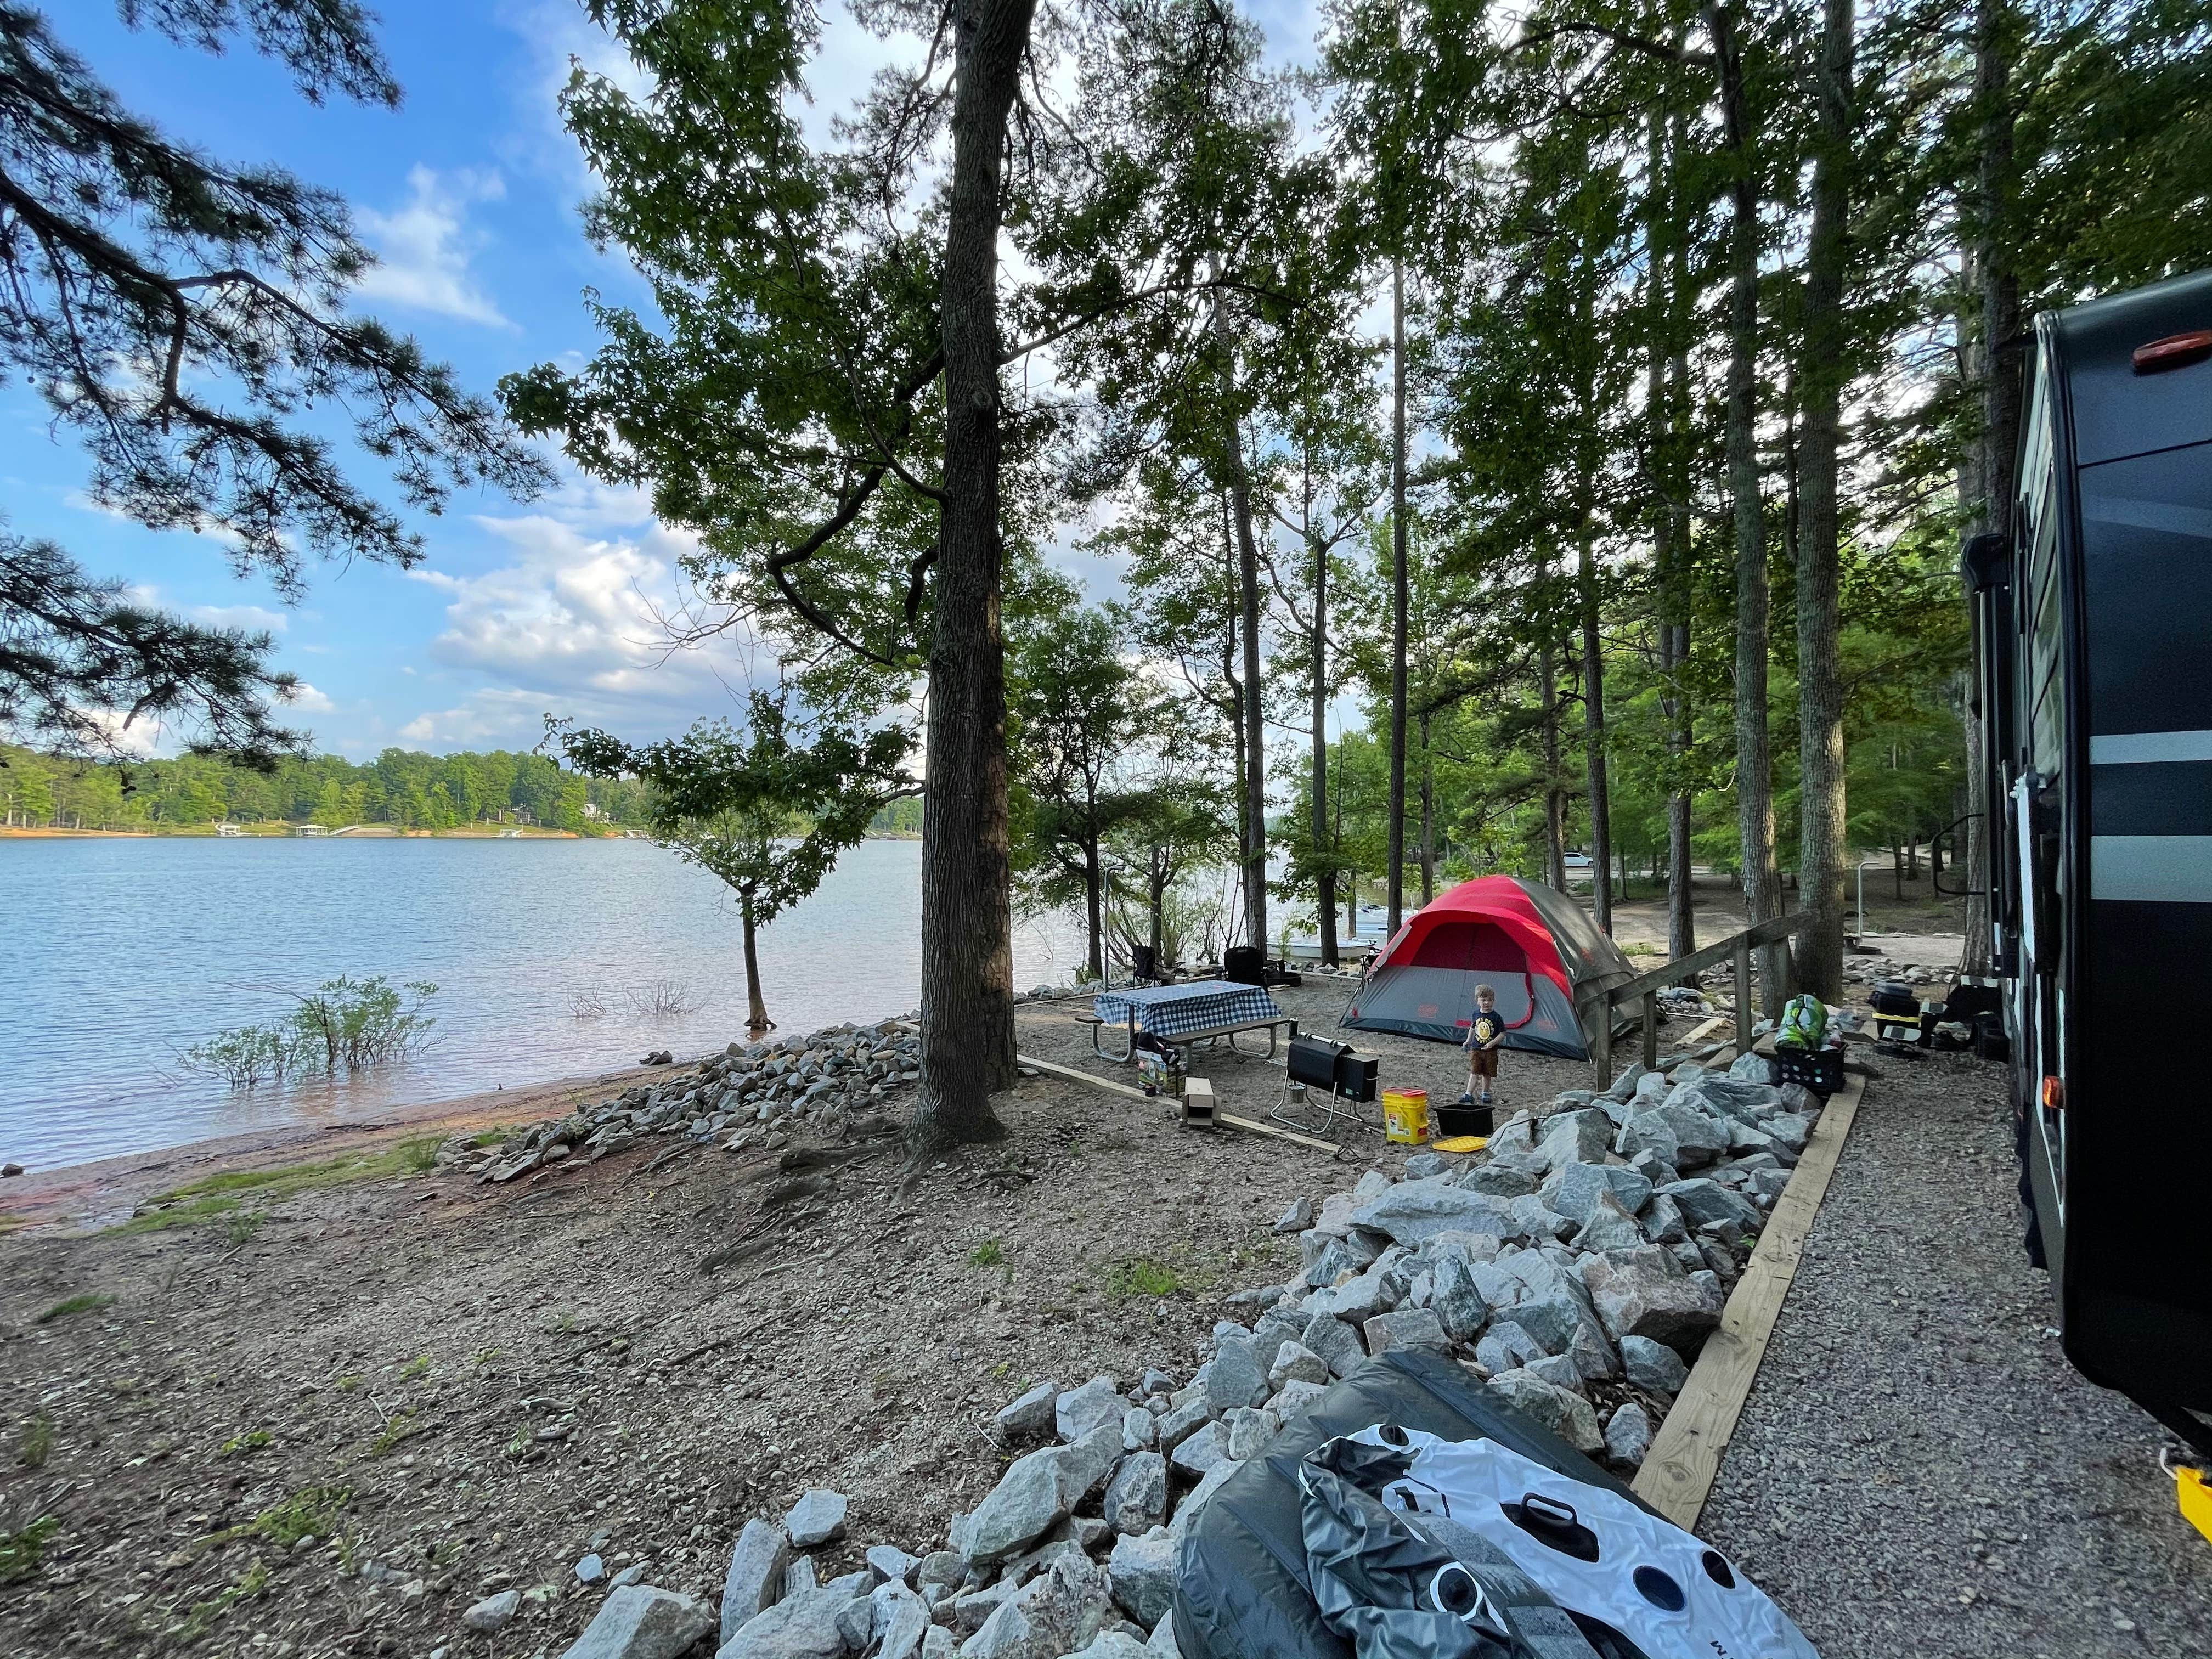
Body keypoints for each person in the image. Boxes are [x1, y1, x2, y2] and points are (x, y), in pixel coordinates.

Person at [1462, 983, 1504, 1107]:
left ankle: (1485, 1092)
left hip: (1490, 1051)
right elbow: (1473, 1028)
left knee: (1487, 1073)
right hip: (1477, 1049)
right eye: (1483, 1000)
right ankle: (1469, 1094)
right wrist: (1468, 1040)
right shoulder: (1476, 1014)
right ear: (1477, 1001)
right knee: (1474, 1071)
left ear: (1494, 1001)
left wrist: (1492, 1043)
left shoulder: (1496, 1017)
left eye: (1490, 1000)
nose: (1487, 1003)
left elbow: (1502, 1033)